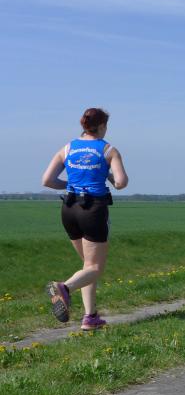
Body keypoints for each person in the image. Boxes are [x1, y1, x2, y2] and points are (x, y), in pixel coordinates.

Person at [41, 108, 129, 330]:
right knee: (95, 267)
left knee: (87, 267)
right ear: (101, 126)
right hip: (93, 210)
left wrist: (71, 184)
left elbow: (47, 180)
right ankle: (64, 288)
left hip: (69, 208)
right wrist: (107, 175)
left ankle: (90, 317)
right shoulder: (108, 150)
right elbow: (121, 183)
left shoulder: (67, 148)